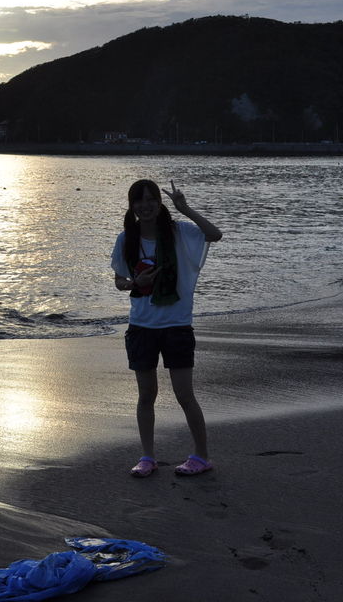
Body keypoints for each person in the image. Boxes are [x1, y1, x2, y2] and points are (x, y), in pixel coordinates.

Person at [111, 179, 222, 477]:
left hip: (177, 326)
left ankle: (202, 456)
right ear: (132, 206)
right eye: (139, 200)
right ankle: (147, 457)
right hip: (141, 326)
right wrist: (135, 283)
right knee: (146, 396)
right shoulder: (126, 239)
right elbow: (119, 281)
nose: (145, 205)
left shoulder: (179, 232)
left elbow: (215, 234)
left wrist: (184, 208)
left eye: (151, 199)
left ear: (160, 203)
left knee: (185, 395)